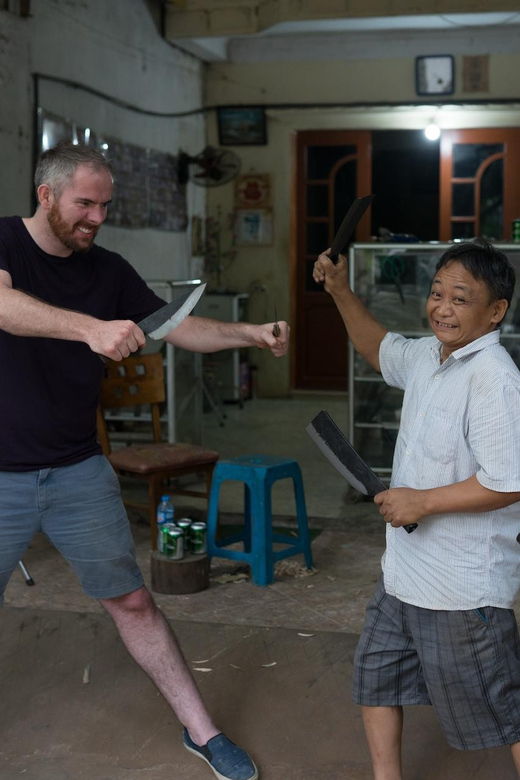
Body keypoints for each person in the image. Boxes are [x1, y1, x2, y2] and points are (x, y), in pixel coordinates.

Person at [0, 142, 289, 780]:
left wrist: (249, 334)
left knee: (132, 602)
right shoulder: (3, 246)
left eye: (105, 205)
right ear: (46, 195)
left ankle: (203, 732)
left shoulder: (108, 270)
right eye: (84, 204)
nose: (97, 218)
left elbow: (176, 327)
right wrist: (88, 329)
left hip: (77, 469)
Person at [313, 241, 520, 779]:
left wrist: (423, 501)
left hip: (461, 588)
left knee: (505, 711)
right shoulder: (430, 356)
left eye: (460, 298)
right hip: (404, 574)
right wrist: (339, 289)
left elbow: (509, 482)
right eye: (436, 293)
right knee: (375, 677)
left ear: (495, 311)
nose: (442, 308)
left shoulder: (495, 379)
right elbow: (378, 347)